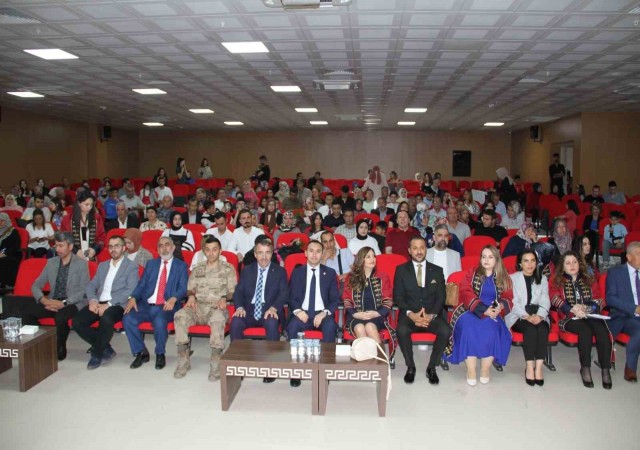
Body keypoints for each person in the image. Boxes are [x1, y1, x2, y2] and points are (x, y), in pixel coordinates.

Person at [446, 246, 513, 386]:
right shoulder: (473, 273)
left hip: (493, 312)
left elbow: (508, 298)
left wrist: (500, 307)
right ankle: (471, 370)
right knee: (468, 329)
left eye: (490, 257)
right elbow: (465, 292)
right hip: (469, 309)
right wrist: (483, 310)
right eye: (483, 257)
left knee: (492, 330)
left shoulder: (504, 277)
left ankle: (485, 369)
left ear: (497, 259)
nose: (486, 260)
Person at [174, 236, 237, 381]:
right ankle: (183, 359)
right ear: (203, 251)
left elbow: (233, 291)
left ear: (220, 251)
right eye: (207, 250)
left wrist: (224, 298)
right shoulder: (197, 269)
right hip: (198, 306)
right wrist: (191, 296)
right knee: (180, 315)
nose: (211, 253)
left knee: (217, 319)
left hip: (217, 307)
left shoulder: (228, 269)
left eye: (214, 249)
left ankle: (216, 361)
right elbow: (190, 289)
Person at [73, 235, 139, 370]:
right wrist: (92, 300)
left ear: (124, 248)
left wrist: (108, 305)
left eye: (117, 246)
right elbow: (91, 285)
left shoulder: (131, 266)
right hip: (99, 301)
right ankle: (106, 347)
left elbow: (130, 290)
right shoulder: (103, 265)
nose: (113, 249)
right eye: (111, 246)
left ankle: (97, 353)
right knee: (77, 322)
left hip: (117, 304)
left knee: (106, 318)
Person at [123, 237, 189, 370]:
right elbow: (141, 284)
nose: (164, 248)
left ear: (173, 248)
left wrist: (174, 298)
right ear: (157, 249)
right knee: (128, 318)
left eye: (167, 245)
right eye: (160, 246)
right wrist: (133, 297)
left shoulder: (181, 266)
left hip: (166, 305)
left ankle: (160, 353)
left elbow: (183, 288)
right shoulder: (151, 264)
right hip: (147, 304)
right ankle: (141, 352)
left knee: (159, 321)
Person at [23, 232, 90, 360]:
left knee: (60, 317)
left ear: (70, 247)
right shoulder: (51, 262)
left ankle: (60, 346)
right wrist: (43, 300)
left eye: (61, 246)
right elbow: (36, 285)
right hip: (52, 300)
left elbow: (84, 290)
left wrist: (63, 303)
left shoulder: (81, 264)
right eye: (56, 246)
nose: (57, 249)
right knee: (27, 312)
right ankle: (41, 343)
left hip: (73, 302)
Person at [550, 251, 612, 389]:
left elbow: (600, 299)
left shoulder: (589, 279)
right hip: (569, 318)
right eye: (568, 263)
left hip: (590, 314)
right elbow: (554, 298)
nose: (572, 265)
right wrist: (572, 309)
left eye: (575, 262)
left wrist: (587, 308)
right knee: (585, 330)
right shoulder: (557, 280)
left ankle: (605, 368)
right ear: (563, 267)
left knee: (602, 329)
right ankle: (585, 367)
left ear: (579, 263)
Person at [394, 236, 451, 385]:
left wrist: (431, 315)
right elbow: (398, 296)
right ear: (409, 250)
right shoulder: (401, 270)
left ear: (426, 249)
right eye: (415, 248)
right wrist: (411, 314)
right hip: (410, 315)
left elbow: (441, 297)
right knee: (401, 330)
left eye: (422, 248)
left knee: (446, 330)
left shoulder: (437, 270)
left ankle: (432, 367)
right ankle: (410, 366)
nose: (419, 251)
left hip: (431, 315)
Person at [231, 238, 288, 381]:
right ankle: (237, 366)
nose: (264, 257)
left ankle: (271, 368)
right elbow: (238, 292)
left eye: (267, 252)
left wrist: (274, 308)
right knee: (236, 322)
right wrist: (239, 307)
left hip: (268, 310)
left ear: (272, 254)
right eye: (260, 253)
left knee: (272, 322)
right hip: (248, 310)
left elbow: (284, 293)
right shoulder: (247, 270)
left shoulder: (280, 271)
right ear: (255, 254)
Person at [286, 240, 339, 387]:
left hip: (322, 314)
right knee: (292, 327)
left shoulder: (330, 273)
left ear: (322, 254)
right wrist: (298, 311)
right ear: (305, 253)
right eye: (311, 251)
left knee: (330, 326)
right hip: (302, 313)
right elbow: (292, 298)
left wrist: (324, 313)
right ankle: (296, 371)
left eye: (318, 251)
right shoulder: (298, 272)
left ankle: (325, 370)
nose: (314, 254)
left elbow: (335, 299)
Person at [505, 250, 551, 386]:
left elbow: (545, 300)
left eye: (532, 260)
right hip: (519, 315)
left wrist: (540, 315)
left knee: (543, 329)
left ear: (536, 263)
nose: (530, 264)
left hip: (538, 314)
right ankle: (530, 367)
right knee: (530, 330)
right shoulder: (512, 278)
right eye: (526, 261)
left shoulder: (542, 278)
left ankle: (539, 368)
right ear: (520, 263)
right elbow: (513, 303)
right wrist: (527, 316)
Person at [343, 246, 394, 348]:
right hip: (356, 315)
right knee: (359, 328)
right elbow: (347, 300)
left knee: (370, 327)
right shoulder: (351, 277)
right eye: (368, 257)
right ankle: (366, 357)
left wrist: (377, 313)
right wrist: (355, 314)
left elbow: (388, 300)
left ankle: (380, 357)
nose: (372, 259)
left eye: (373, 256)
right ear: (361, 259)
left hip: (377, 315)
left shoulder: (382, 277)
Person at [606, 241, 640, 383]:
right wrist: (634, 308)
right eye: (639, 254)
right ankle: (630, 368)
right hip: (624, 316)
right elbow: (611, 299)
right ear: (629, 257)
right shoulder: (615, 273)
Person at [60, 190, 105, 261]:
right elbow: (64, 239)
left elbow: (101, 238)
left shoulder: (97, 218)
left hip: (91, 257)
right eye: (86, 204)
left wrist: (94, 249)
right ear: (79, 203)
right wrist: (76, 251)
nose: (89, 208)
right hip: (73, 257)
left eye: (91, 205)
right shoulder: (67, 219)